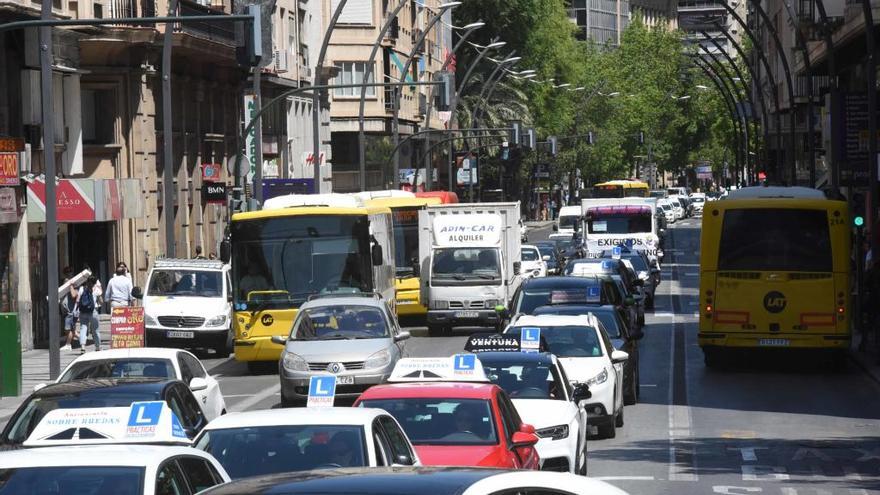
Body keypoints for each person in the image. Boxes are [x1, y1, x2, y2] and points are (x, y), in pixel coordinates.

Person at [76, 276, 102, 354]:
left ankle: (83, 347)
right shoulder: (96, 289)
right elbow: (101, 302)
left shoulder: (81, 289)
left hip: (83, 312)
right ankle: (97, 346)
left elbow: (77, 301)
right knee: (95, 330)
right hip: (93, 312)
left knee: (83, 328)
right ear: (95, 283)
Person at [60, 276, 79, 351]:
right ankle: (76, 336)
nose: (65, 284)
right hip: (66, 313)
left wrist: (71, 286)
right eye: (65, 282)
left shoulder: (75, 289)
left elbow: (73, 295)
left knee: (68, 330)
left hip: (70, 313)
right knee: (69, 329)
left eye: (67, 282)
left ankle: (68, 344)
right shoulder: (64, 291)